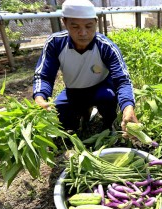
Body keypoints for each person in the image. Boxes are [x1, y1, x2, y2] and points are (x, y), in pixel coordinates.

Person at [32, 0, 138, 134]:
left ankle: (108, 125)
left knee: (108, 99)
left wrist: (128, 107)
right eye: (75, 27)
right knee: (62, 116)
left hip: (101, 87)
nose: (83, 33)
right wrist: (40, 98)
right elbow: (44, 76)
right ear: (64, 22)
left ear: (96, 22)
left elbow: (122, 80)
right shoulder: (56, 43)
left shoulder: (105, 46)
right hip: (73, 90)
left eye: (88, 26)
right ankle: (83, 113)